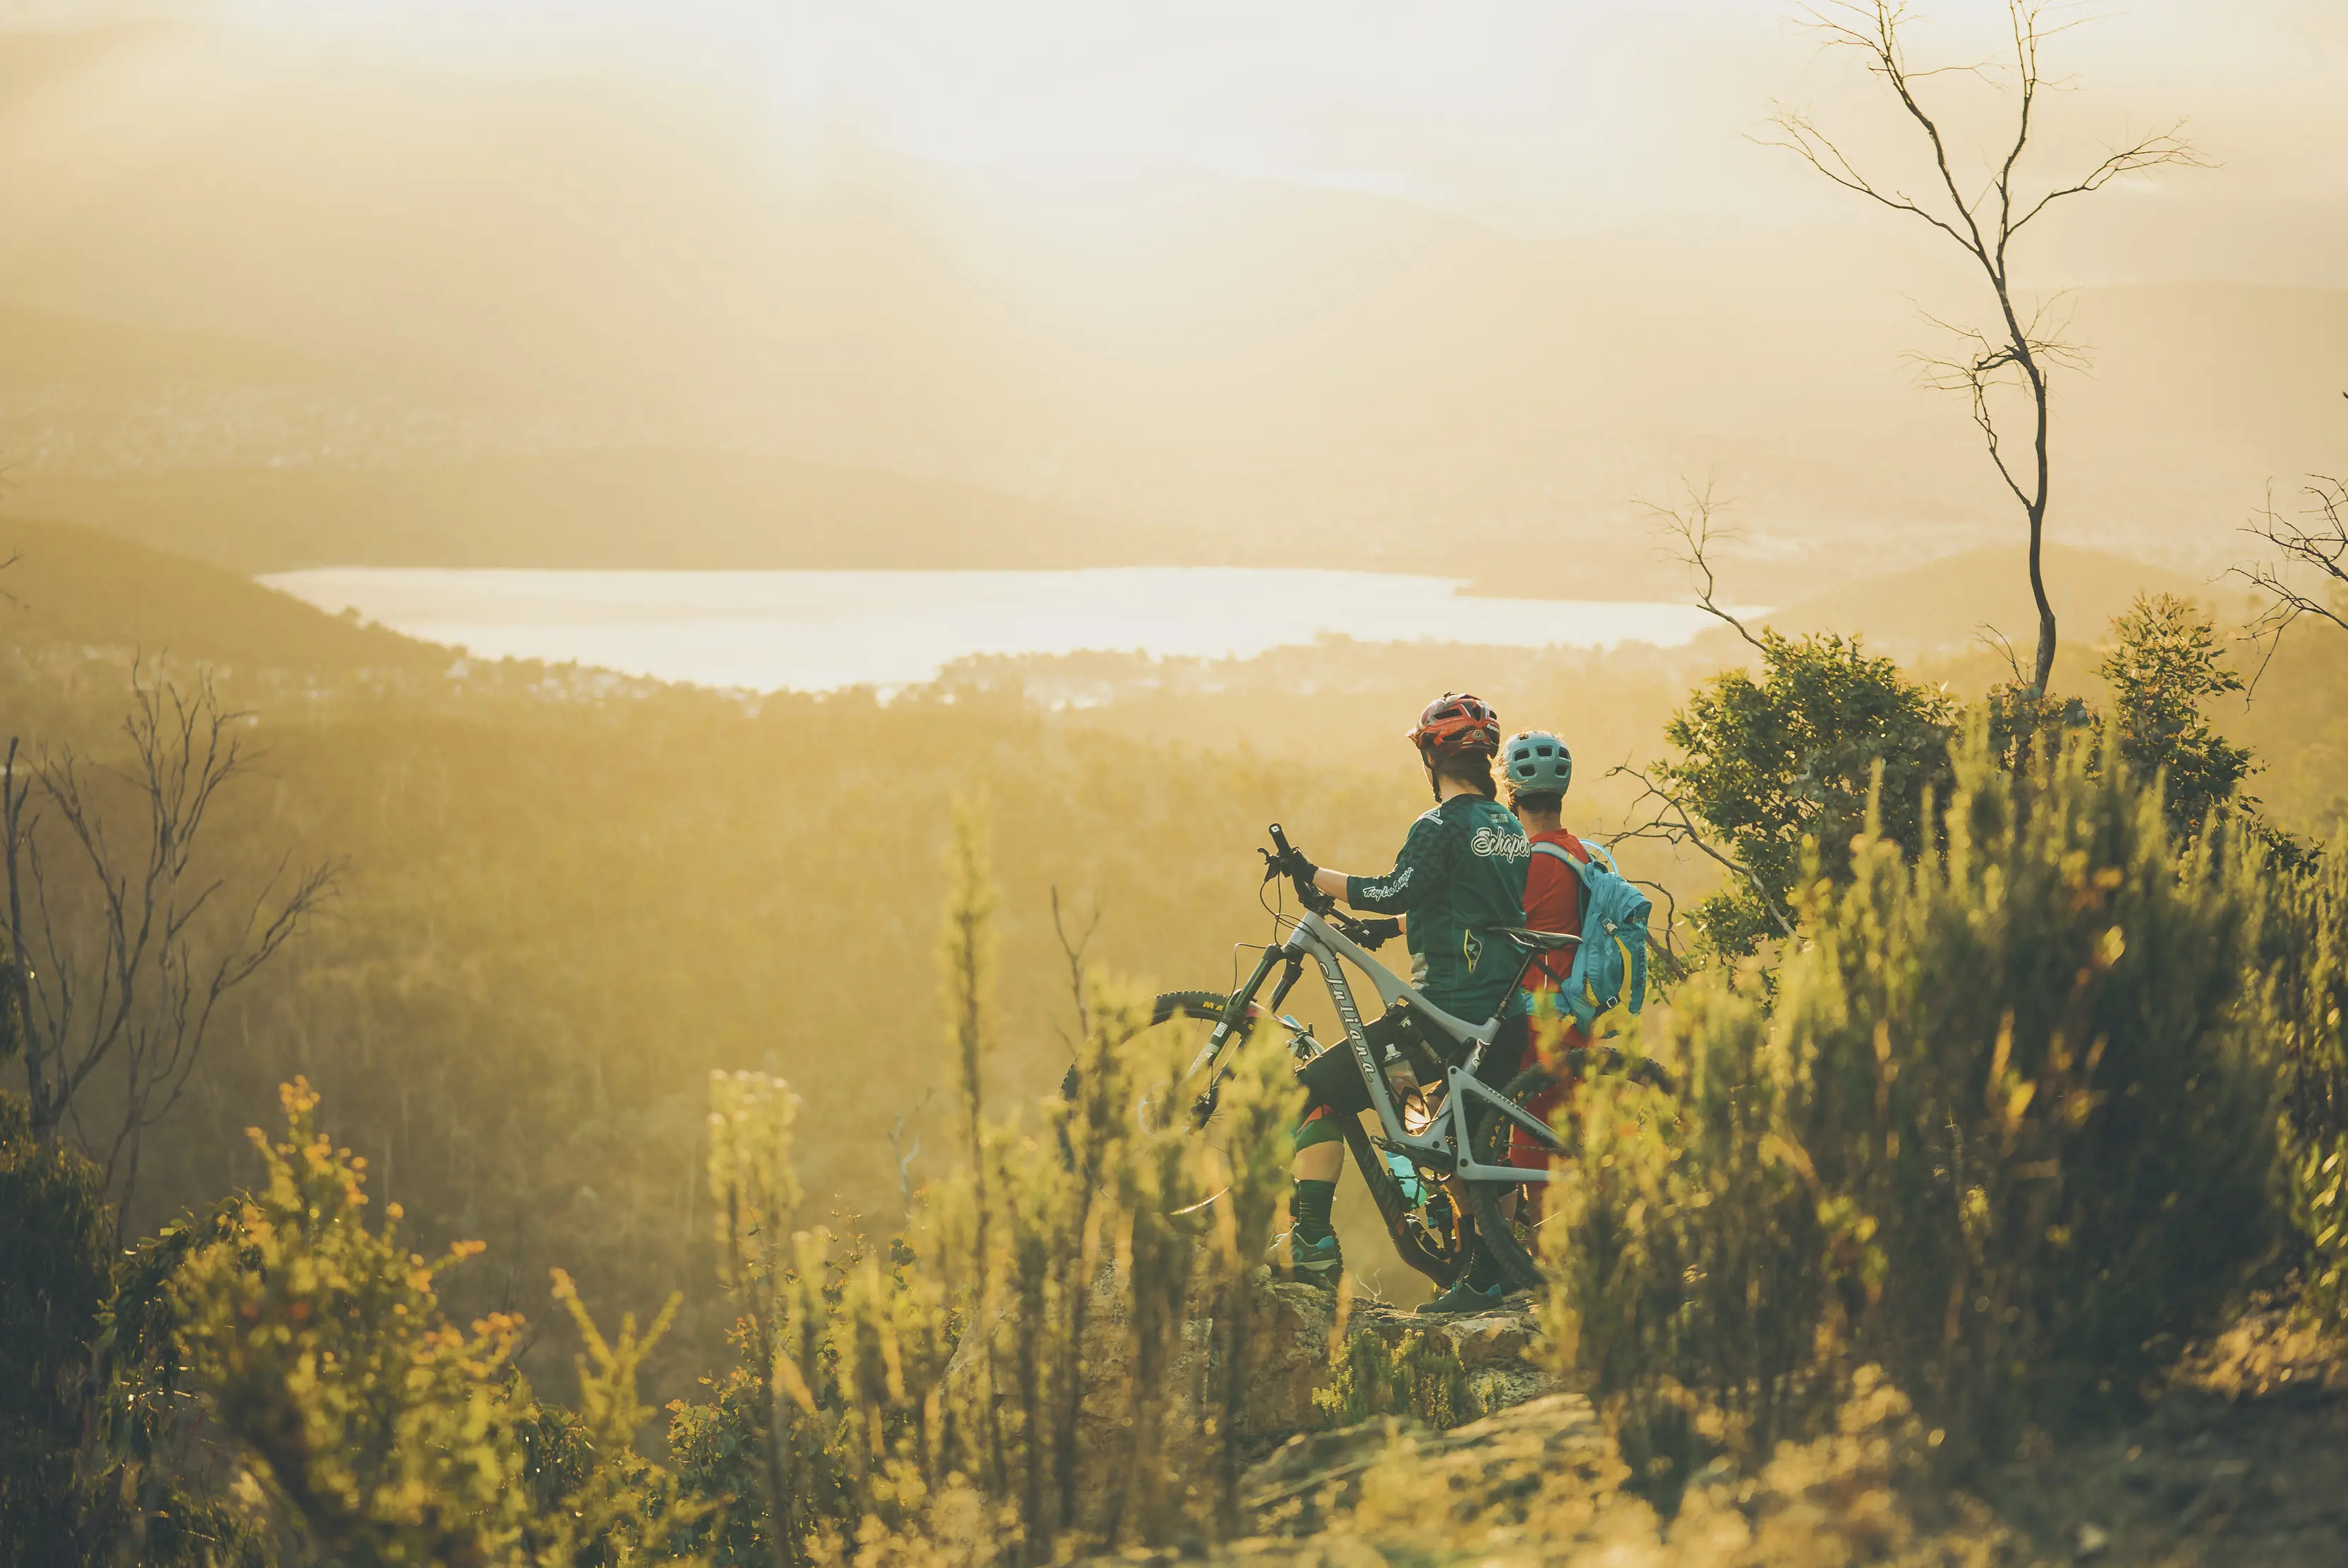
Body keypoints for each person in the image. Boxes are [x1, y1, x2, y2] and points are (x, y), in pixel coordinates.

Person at [1266, 693, 1533, 1313]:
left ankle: (1312, 1244)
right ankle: (1487, 1275)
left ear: (1431, 757)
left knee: (1312, 1091)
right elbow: (1468, 903)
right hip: (1500, 1019)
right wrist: (1392, 931)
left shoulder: (1438, 825)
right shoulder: (1507, 828)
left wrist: (1313, 873)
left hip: (1440, 1022)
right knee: (1470, 1150)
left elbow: (1392, 890)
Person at [1496, 730, 1591, 1189]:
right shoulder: (1579, 852)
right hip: (1575, 1019)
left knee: (1533, 1158)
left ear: (1509, 794)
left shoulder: (1530, 862)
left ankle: (1533, 1256)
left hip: (1537, 1026)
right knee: (1565, 1146)